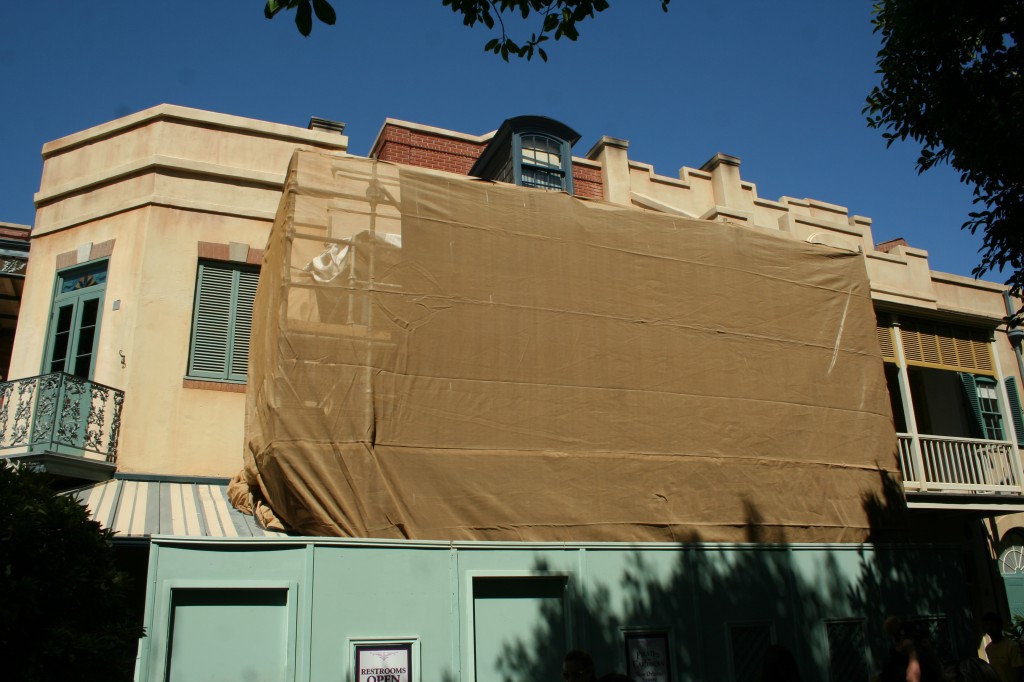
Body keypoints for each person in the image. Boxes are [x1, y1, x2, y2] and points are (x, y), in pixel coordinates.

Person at [982, 612, 1023, 682]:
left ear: (1000, 626)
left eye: (992, 625)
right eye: (987, 625)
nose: (989, 628)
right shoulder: (988, 649)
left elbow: (1020, 672)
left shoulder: (1012, 646)